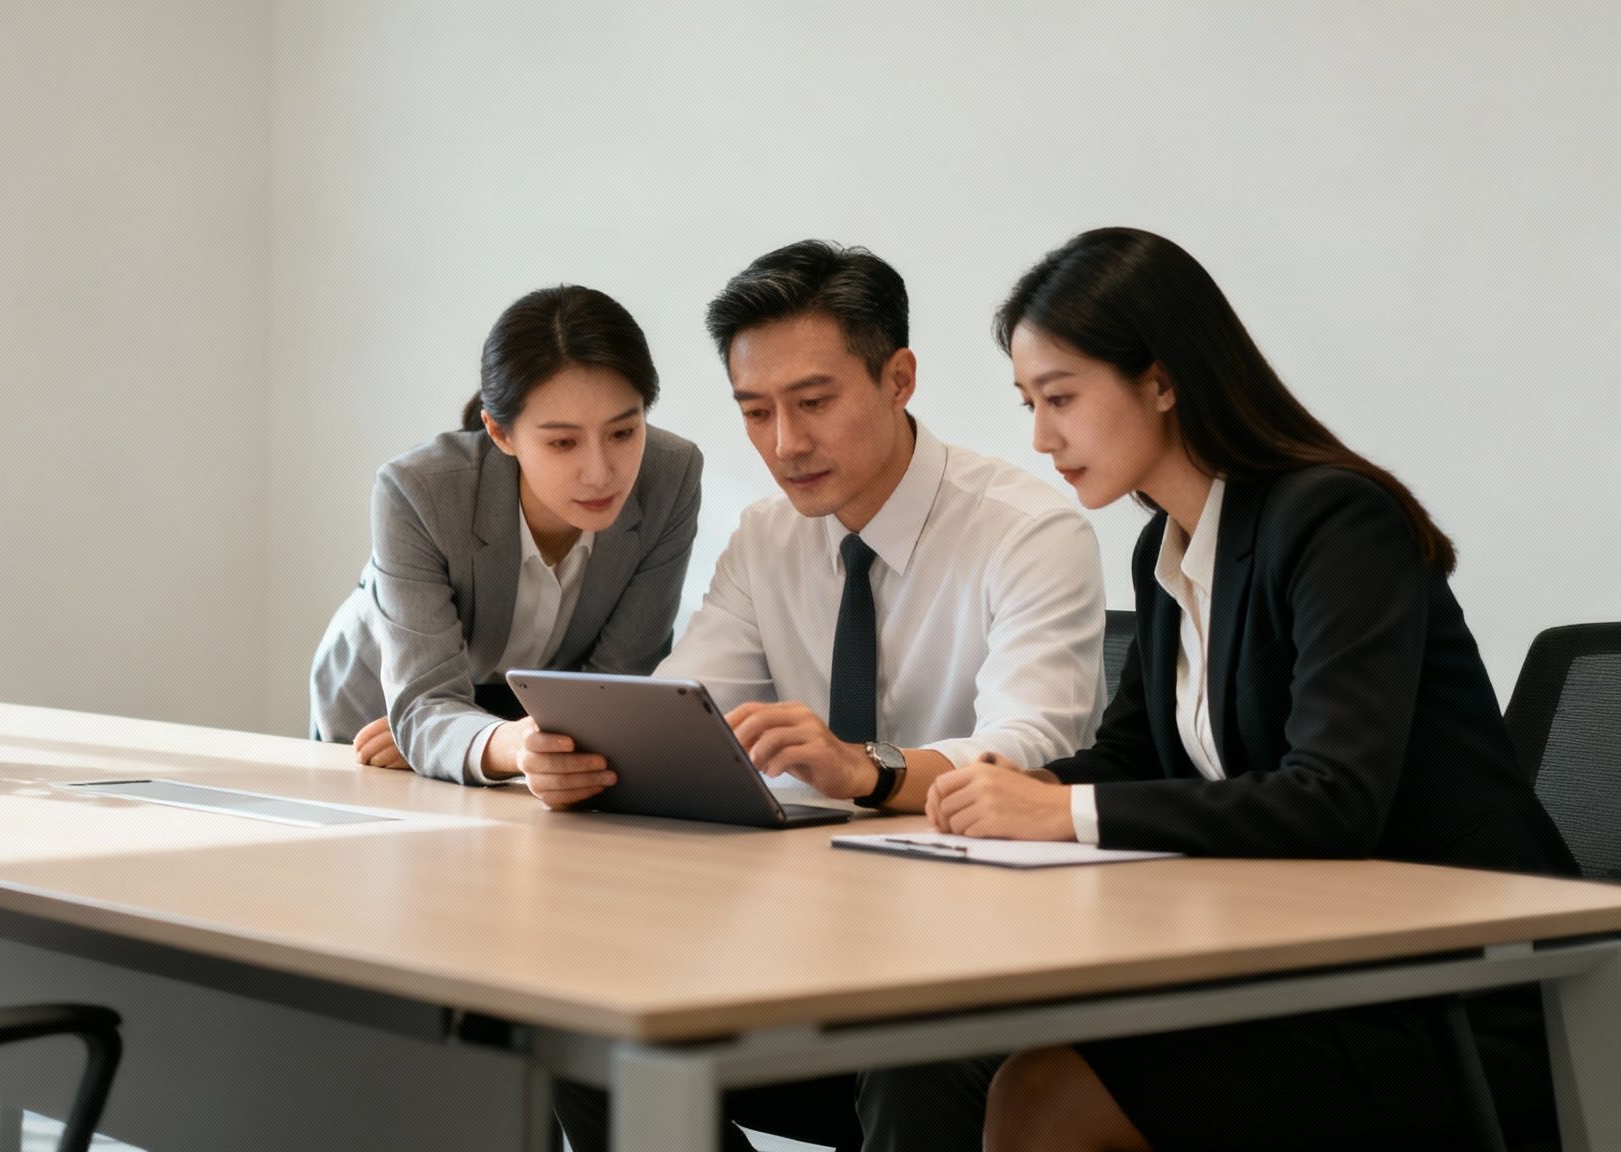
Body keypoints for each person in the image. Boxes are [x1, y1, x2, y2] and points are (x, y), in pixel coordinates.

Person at [890, 226, 1578, 1152]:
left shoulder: (1335, 522)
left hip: (1447, 997)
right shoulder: (1167, 547)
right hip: (1305, 971)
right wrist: (1002, 795)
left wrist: (1062, 816)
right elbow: (1132, 755)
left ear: (1163, 380)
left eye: (1060, 398)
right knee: (955, 1066)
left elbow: (1333, 802)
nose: (1042, 437)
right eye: (1029, 403)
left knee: (1042, 1093)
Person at [543, 240, 1107, 1152]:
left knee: (906, 1057)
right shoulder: (768, 538)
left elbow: (1038, 749)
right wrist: (566, 752)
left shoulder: (1029, 532)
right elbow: (679, 711)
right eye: (755, 412)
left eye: (813, 403)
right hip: (803, 937)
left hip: (973, 952)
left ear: (898, 379)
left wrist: (868, 770)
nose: (784, 444)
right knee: (583, 1022)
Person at [309, 285, 702, 785]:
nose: (601, 473)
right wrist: (445, 739)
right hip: (382, 714)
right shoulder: (416, 491)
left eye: (624, 432)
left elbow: (616, 688)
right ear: (499, 433)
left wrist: (493, 740)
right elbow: (424, 703)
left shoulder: (671, 476)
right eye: (563, 442)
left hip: (530, 731)